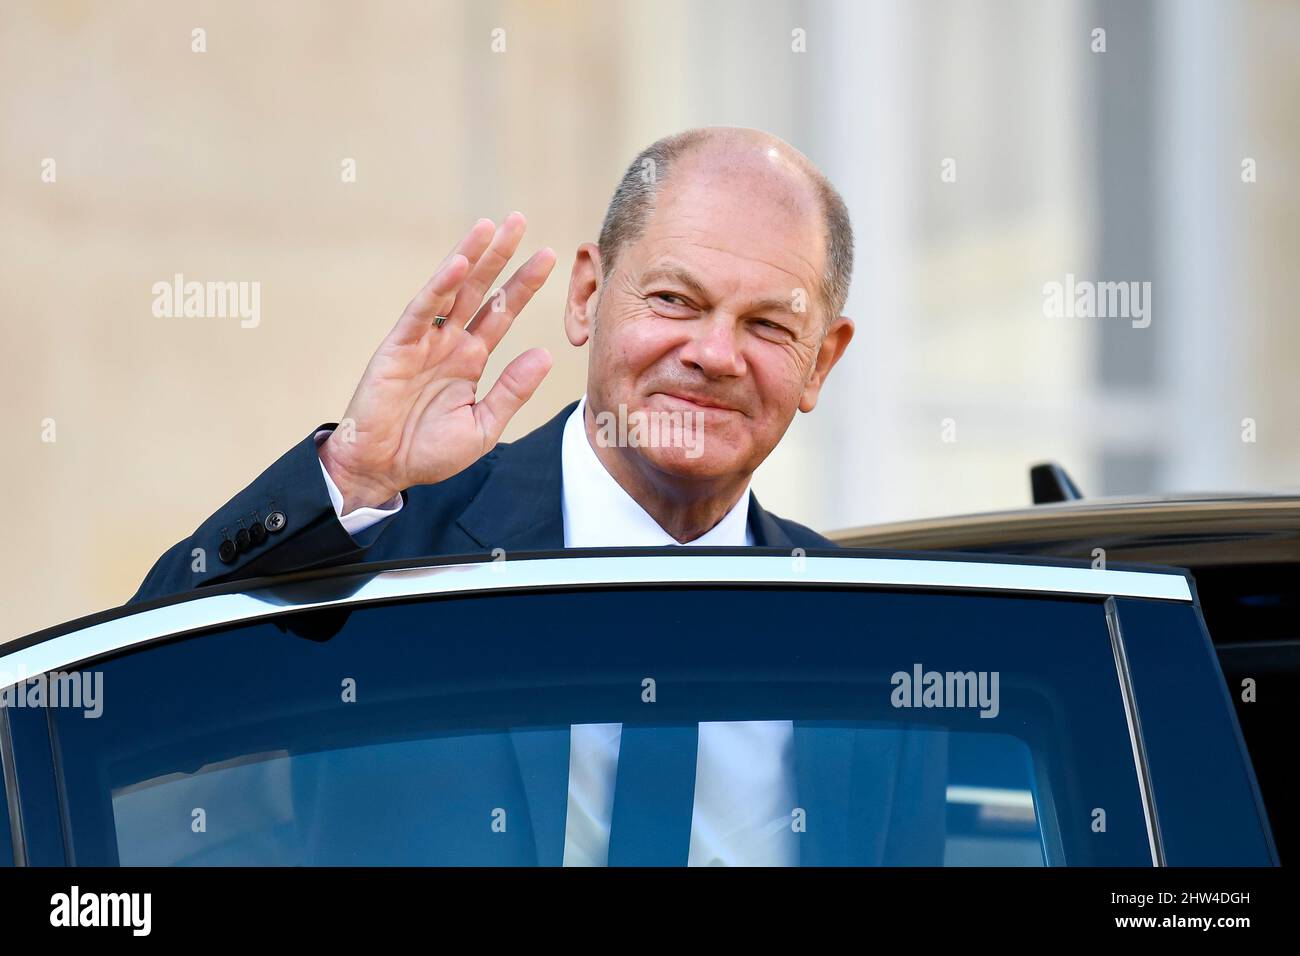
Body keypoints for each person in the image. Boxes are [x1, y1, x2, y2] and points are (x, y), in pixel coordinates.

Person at [131, 125, 858, 865]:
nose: (714, 354)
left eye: (768, 325)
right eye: (674, 299)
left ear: (820, 363)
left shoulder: (866, 627)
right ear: (587, 296)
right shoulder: (388, 549)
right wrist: (350, 474)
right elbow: (134, 703)